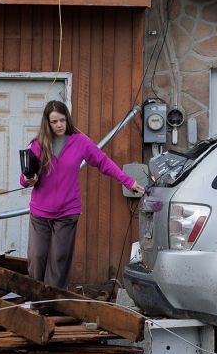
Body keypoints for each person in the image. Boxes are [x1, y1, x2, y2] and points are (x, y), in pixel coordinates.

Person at [18, 99, 142, 288]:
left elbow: (103, 162)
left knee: (59, 260)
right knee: (37, 256)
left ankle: (51, 303)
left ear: (67, 119)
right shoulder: (38, 145)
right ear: (47, 123)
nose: (59, 125)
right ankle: (36, 297)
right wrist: (28, 180)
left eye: (62, 120)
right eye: (54, 122)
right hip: (40, 212)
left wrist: (128, 181)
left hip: (67, 212)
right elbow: (24, 178)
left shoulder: (80, 142)